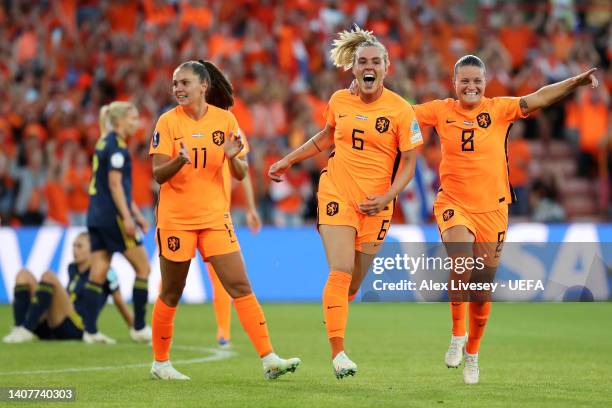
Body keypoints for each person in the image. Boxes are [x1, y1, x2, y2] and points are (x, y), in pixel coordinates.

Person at [410, 55, 598, 384]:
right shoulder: (440, 110)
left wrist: (573, 83)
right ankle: (457, 334)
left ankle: (473, 353)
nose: (471, 86)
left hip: (494, 209)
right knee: (460, 261)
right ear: (454, 84)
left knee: (482, 289)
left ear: (485, 84)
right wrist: (363, 94)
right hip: (454, 203)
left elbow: (538, 97)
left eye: (476, 81)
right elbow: (399, 112)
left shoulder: (500, 108)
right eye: (464, 81)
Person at [269, 26, 422, 379]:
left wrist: (387, 196)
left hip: (377, 204)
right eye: (362, 62)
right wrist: (289, 160)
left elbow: (410, 163)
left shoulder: (401, 110)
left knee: (352, 285)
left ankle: (334, 307)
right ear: (353, 68)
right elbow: (325, 137)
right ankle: (338, 354)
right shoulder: (340, 100)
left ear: (387, 67)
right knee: (340, 271)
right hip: (337, 192)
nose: (368, 67)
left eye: (375, 61)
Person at [149, 59, 300, 380]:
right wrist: (178, 160)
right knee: (172, 291)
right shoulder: (167, 122)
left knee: (240, 285)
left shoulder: (225, 120)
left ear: (203, 86)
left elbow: (242, 171)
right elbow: (158, 174)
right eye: (175, 83)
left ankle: (269, 358)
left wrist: (233, 157)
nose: (178, 88)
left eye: (184, 83)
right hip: (177, 220)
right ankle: (160, 363)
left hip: (216, 218)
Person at [82, 101, 152, 344]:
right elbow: (114, 185)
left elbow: (119, 187)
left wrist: (138, 214)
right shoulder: (117, 148)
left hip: (95, 216)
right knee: (144, 268)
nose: (137, 123)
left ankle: (89, 331)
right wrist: (127, 217)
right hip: (113, 217)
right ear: (120, 121)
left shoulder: (103, 141)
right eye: (132, 118)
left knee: (98, 271)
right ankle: (140, 327)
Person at [3, 232, 133, 343]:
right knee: (23, 275)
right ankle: (19, 329)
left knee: (49, 276)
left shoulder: (106, 272)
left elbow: (119, 301)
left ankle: (26, 330)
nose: (74, 250)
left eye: (79, 246)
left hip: (76, 327)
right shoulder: (72, 268)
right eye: (73, 246)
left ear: (92, 249)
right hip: (55, 323)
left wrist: (135, 327)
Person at [206, 129, 262, 349]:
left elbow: (242, 169)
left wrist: (250, 208)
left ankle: (224, 331)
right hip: (184, 212)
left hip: (216, 213)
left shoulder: (230, 126)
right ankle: (156, 328)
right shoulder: (177, 121)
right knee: (173, 273)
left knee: (221, 276)